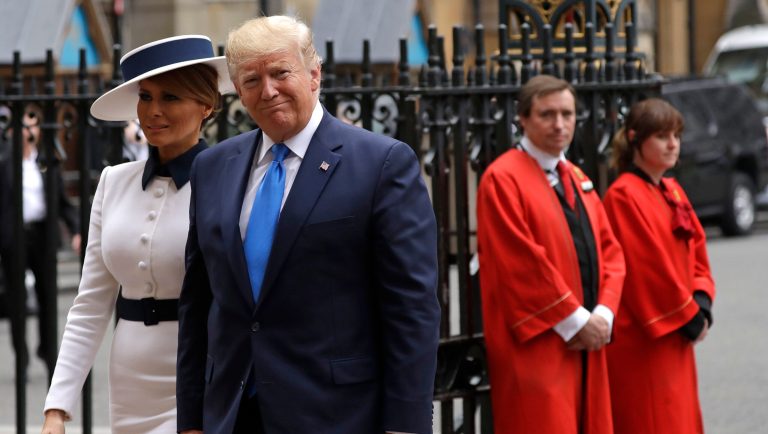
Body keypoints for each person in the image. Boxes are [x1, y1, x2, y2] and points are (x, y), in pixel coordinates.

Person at [176, 15, 440, 434]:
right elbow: (199, 303)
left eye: (281, 72)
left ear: (313, 74)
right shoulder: (212, 167)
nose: (268, 90)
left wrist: (406, 424)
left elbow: (411, 308)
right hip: (233, 413)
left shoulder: (381, 164)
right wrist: (190, 418)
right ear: (238, 93)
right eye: (251, 80)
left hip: (338, 413)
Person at [41, 35, 233, 434]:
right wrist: (57, 408)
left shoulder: (231, 181)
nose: (153, 112)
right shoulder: (114, 181)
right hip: (128, 384)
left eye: (171, 98)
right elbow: (91, 304)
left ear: (207, 105)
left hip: (202, 377)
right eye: (145, 97)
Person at [476, 75, 625, 434]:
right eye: (547, 114)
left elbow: (610, 251)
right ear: (523, 119)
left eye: (567, 114)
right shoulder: (502, 178)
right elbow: (520, 264)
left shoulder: (576, 176)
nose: (560, 124)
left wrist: (603, 314)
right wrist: (576, 322)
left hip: (588, 340)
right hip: (540, 345)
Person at [602, 98, 715, 434]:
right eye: (662, 136)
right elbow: (645, 268)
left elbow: (697, 250)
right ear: (636, 139)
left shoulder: (672, 189)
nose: (672, 144)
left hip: (678, 327)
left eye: (676, 136)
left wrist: (703, 300)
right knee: (654, 419)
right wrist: (688, 315)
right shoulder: (623, 195)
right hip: (646, 336)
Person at [0, 109, 81, 376]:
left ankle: (48, 352)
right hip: (14, 238)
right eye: (24, 127)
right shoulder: (4, 162)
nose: (29, 132)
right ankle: (21, 356)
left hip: (43, 235)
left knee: (48, 297)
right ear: (11, 131)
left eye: (33, 127)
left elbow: (62, 203)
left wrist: (76, 229)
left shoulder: (47, 161)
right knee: (16, 299)